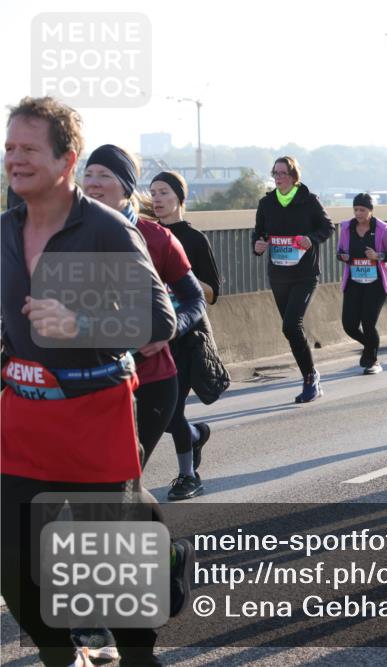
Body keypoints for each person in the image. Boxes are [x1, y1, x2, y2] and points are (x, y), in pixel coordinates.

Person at [1, 96, 191, 667]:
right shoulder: (4, 232)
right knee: (11, 559)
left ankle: (142, 639)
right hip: (22, 414)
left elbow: (160, 320)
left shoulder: (106, 230)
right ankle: (63, 654)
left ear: (67, 159)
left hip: (94, 413)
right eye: (10, 148)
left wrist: (80, 323)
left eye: (29, 148)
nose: (15, 159)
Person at [82, 147, 207, 502]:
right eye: (88, 174)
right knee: (101, 484)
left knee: (118, 483)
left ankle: (165, 554)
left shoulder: (158, 238)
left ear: (126, 186)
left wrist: (168, 328)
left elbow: (196, 301)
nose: (93, 183)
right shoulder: (65, 233)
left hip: (149, 381)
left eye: (105, 176)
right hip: (88, 380)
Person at [150, 170, 226, 489]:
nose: (156, 198)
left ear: (180, 198)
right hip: (152, 334)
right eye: (152, 192)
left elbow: (212, 292)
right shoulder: (144, 235)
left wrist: (179, 278)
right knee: (156, 413)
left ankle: (188, 476)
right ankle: (195, 435)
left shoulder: (194, 239)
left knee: (172, 410)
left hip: (186, 336)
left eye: (164, 192)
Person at [253, 156, 334, 403]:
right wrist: (258, 245)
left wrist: (311, 238)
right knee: (292, 330)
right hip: (278, 274)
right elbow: (259, 233)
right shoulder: (266, 203)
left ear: (293, 175)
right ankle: (311, 373)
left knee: (290, 325)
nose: (278, 177)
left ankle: (310, 379)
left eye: (282, 173)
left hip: (305, 275)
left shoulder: (308, 201)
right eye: (275, 173)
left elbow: (327, 227)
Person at [337, 192, 387, 374]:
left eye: (362, 210)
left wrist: (378, 256)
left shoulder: (382, 229)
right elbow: (339, 252)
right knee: (349, 325)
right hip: (354, 282)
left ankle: (372, 361)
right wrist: (342, 256)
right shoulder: (346, 228)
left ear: (371, 210)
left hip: (376, 284)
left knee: (368, 323)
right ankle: (370, 347)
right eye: (355, 209)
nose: (358, 213)